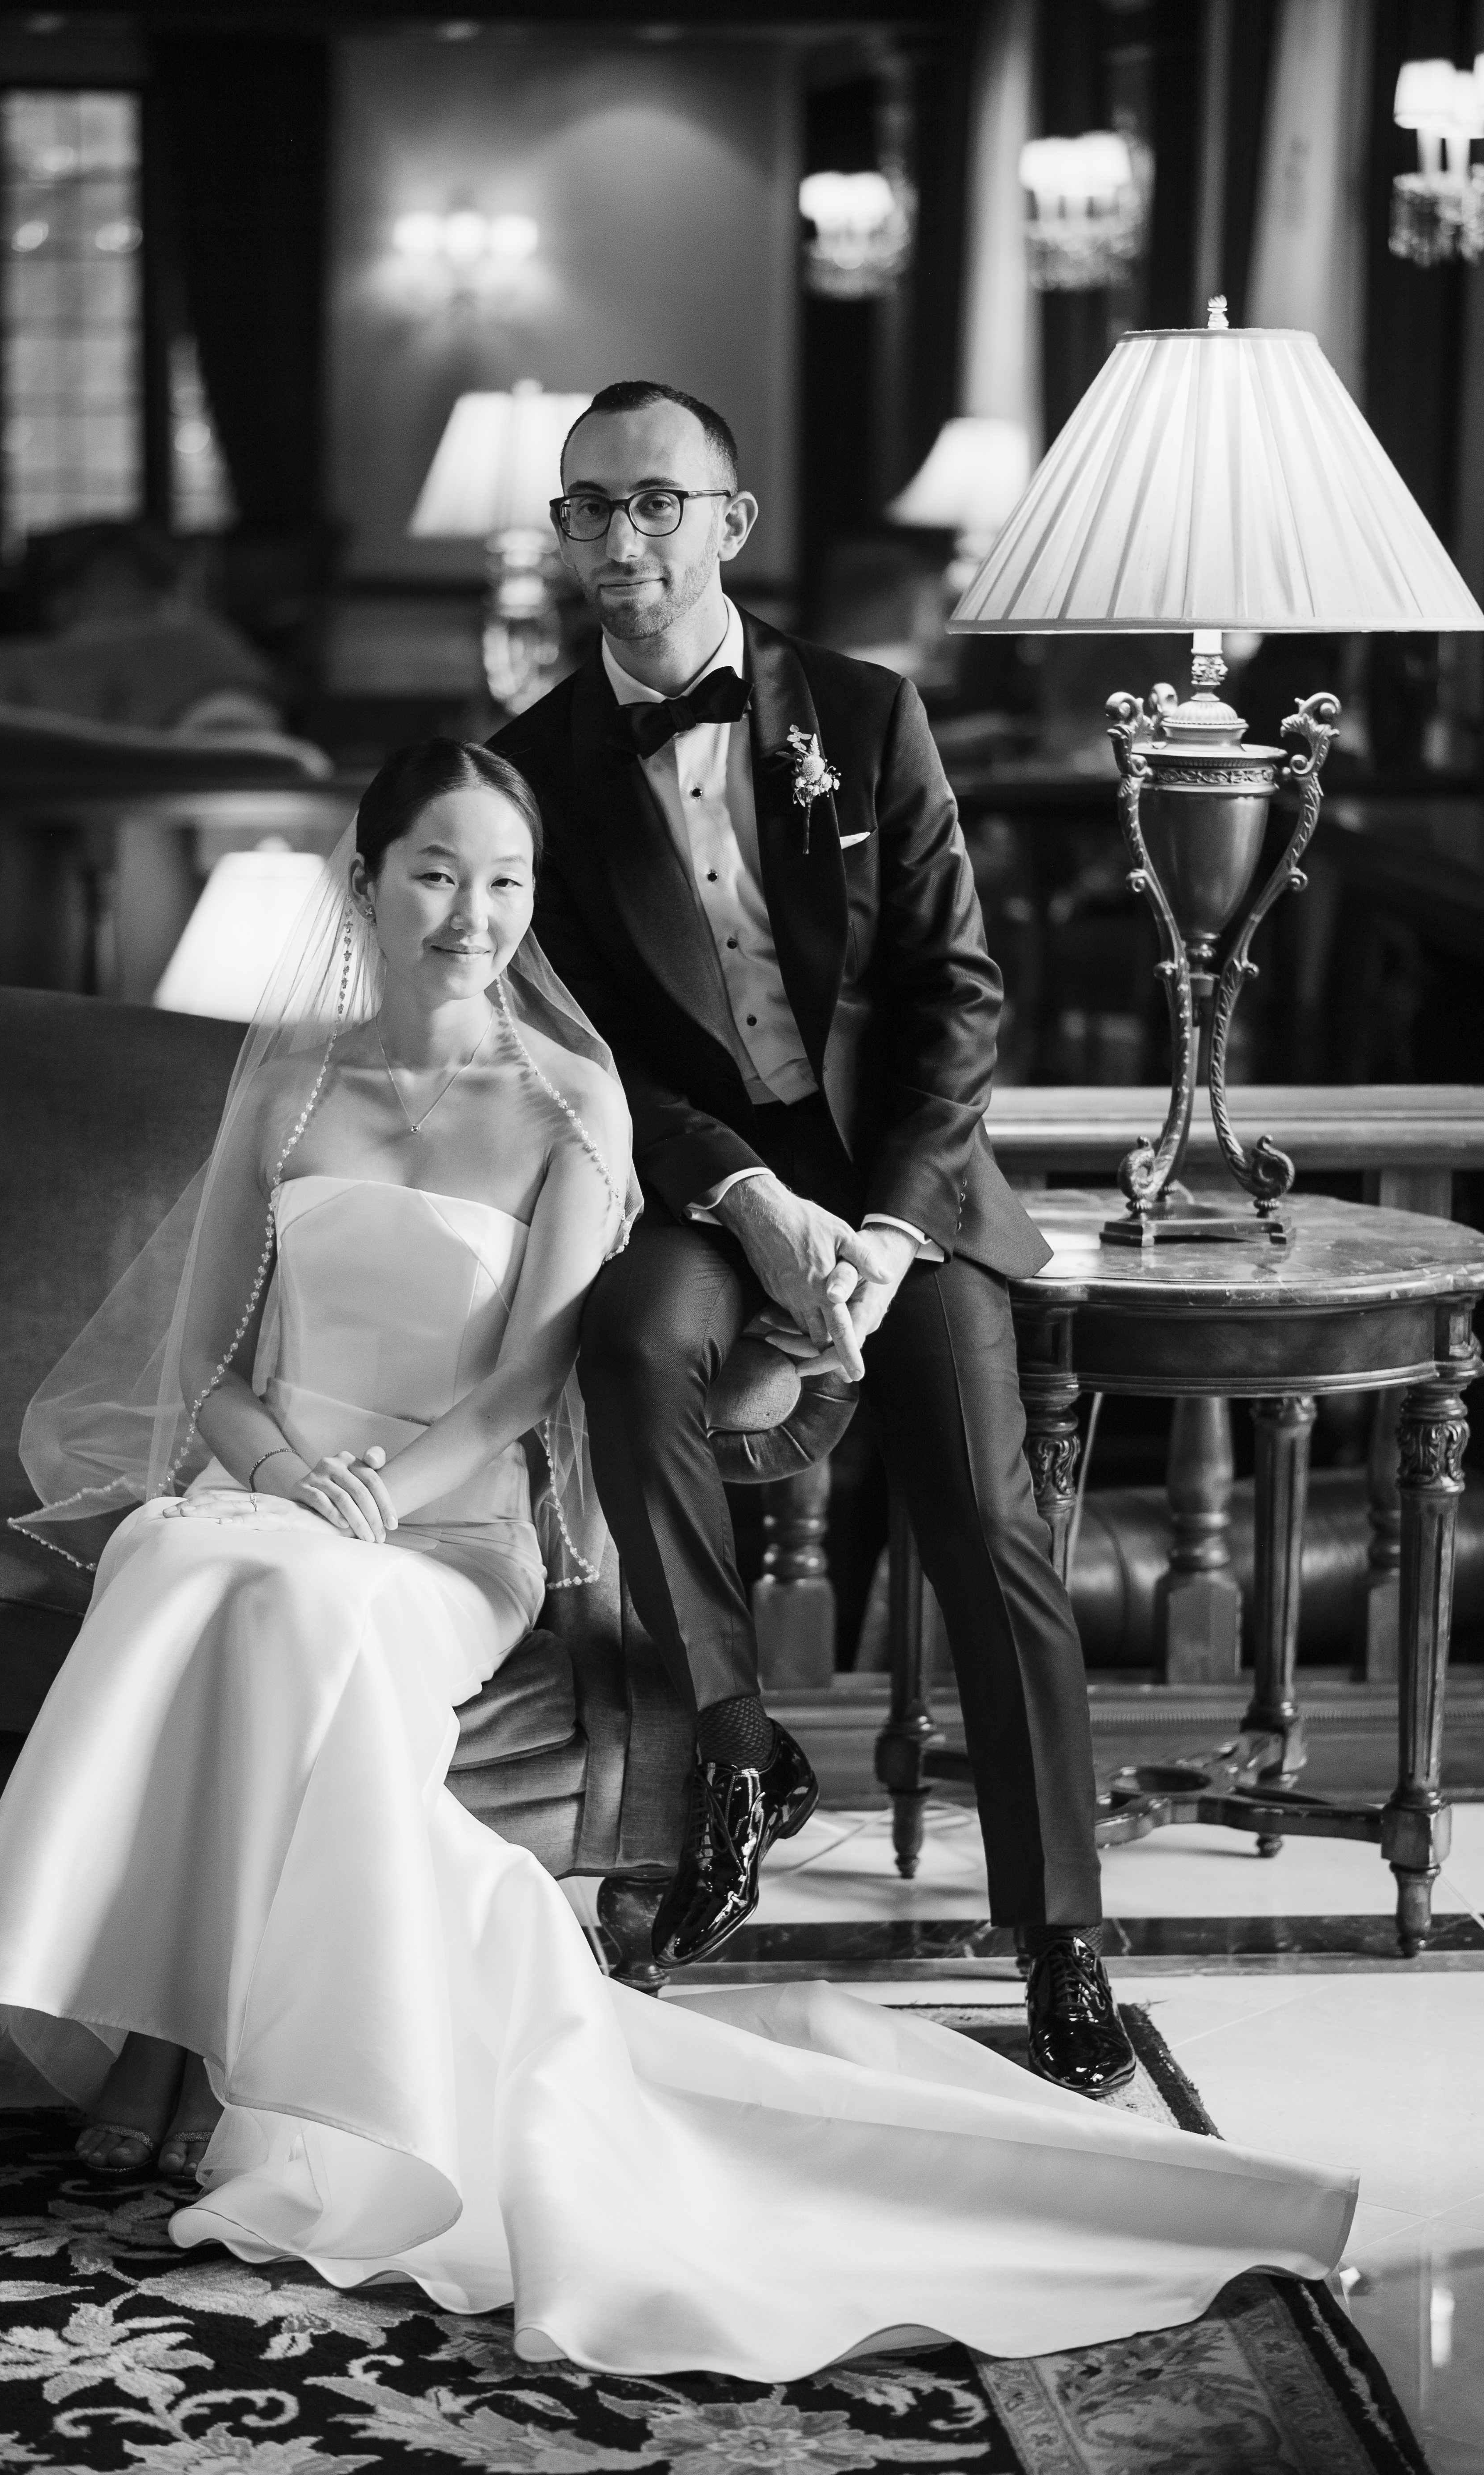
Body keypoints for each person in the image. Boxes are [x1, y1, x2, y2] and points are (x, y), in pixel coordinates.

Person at [0, 740, 1354, 2375]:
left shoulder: (568, 1106)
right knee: (187, 1562)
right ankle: (179, 2049)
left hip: (452, 1533)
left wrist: (368, 1502)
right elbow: (210, 1370)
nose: (473, 915)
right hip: (281, 1497)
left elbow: (526, 1383)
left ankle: (177, 2061)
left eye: (504, 881)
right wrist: (293, 1474)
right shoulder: (286, 1092)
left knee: (277, 1598)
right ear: (367, 884)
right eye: (436, 873)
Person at [492, 381, 1128, 2091]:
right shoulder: (538, 772)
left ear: (729, 523)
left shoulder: (865, 711)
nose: (619, 543)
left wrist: (896, 1235)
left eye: (653, 505)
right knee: (629, 1352)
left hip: (906, 1185)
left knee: (989, 1527)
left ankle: (1062, 1941)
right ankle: (739, 1745)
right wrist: (752, 1200)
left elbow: (953, 995)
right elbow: (587, 1045)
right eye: (587, 511)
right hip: (707, 1181)